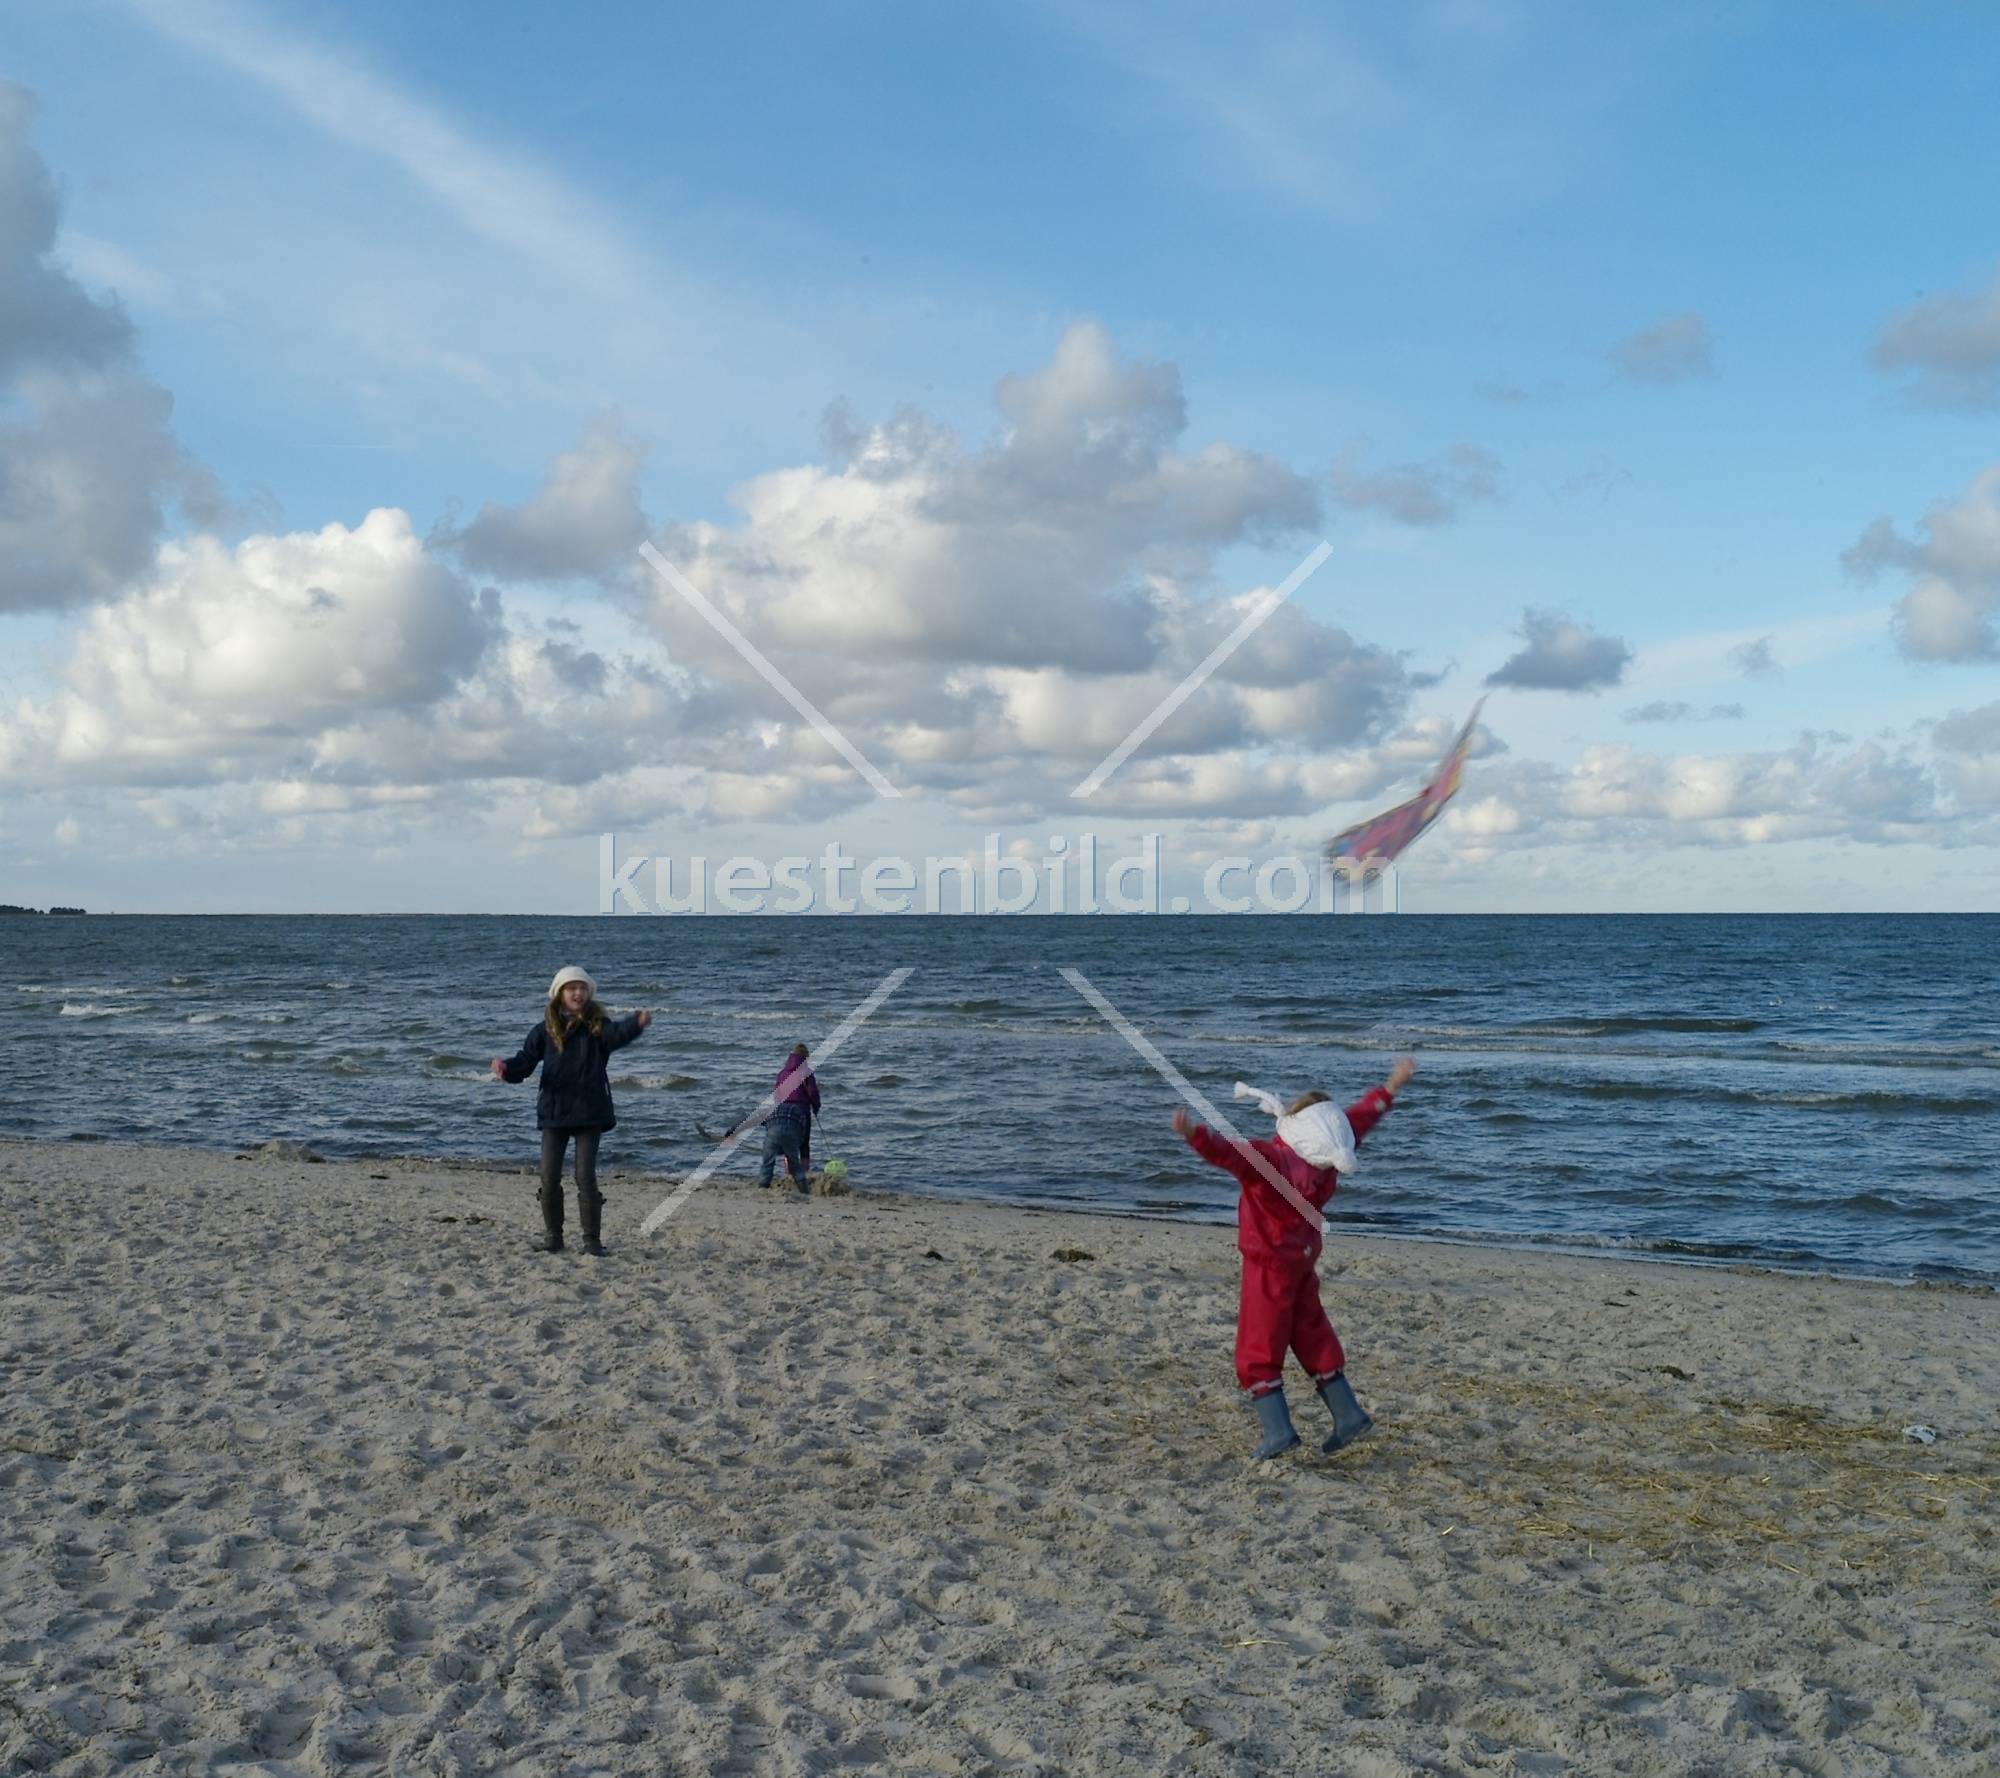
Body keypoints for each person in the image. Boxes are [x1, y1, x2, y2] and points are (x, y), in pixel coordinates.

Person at [1172, 1055, 1416, 1459]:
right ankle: (1347, 1414)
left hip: (1269, 1262)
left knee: (1258, 1344)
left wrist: (1194, 1133)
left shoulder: (1273, 1161)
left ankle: (1278, 1431)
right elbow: (1361, 1118)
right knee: (1310, 1330)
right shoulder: (1333, 1155)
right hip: (1302, 1258)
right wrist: (1393, 1085)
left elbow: (1227, 1154)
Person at [491, 966, 651, 1256]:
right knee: (548, 1176)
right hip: (555, 1112)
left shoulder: (597, 1026)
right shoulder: (544, 1030)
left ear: (589, 993)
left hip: (590, 1112)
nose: (577, 992)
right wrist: (506, 1071)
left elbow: (617, 1035)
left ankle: (591, 1241)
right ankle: (554, 1237)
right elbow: (524, 1062)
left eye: (582, 988)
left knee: (584, 1176)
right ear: (559, 994)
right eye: (571, 988)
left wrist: (635, 1024)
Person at [757, 1042, 820, 1192]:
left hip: (782, 1110)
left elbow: (776, 1093)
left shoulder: (782, 1073)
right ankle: (803, 1173)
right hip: (801, 1110)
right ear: (805, 1057)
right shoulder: (806, 1072)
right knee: (803, 1143)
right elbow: (812, 1093)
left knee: (785, 1145)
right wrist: (816, 1107)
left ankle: (787, 1173)